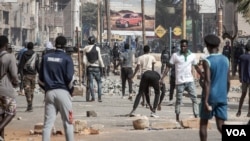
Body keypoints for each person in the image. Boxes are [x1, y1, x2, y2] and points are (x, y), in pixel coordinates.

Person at [38, 36, 75, 141]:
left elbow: (40, 79)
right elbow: (70, 78)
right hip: (63, 92)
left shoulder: (46, 57)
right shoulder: (67, 58)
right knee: (68, 123)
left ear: (55, 44)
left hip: (49, 93)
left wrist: (47, 89)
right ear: (65, 45)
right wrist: (71, 91)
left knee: (47, 124)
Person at [160, 39, 203, 122]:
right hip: (180, 82)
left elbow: (196, 67)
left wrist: (202, 75)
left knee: (194, 99)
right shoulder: (175, 55)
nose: (183, 48)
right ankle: (177, 117)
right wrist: (162, 78)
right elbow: (168, 67)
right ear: (180, 47)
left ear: (187, 46)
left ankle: (196, 116)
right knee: (178, 100)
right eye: (182, 46)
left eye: (184, 46)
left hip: (190, 81)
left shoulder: (192, 56)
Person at [199, 34, 230, 141]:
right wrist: (225, 94)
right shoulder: (226, 60)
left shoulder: (207, 61)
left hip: (210, 96)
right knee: (221, 125)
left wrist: (206, 101)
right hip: (222, 96)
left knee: (203, 123)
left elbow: (207, 81)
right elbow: (228, 81)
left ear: (207, 47)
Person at [0, 35, 19, 140]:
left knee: (1, 114)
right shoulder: (9, 56)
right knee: (12, 111)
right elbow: (14, 75)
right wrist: (15, 82)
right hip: (5, 90)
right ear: (6, 45)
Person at [82, 36, 105, 102]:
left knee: (91, 83)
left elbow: (84, 61)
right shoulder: (97, 48)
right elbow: (100, 59)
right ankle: (99, 97)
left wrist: (87, 65)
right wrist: (102, 66)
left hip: (89, 68)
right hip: (97, 67)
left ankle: (93, 98)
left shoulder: (85, 48)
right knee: (99, 83)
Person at [18, 42, 39, 112]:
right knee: (32, 90)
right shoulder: (36, 55)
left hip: (26, 74)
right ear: (33, 47)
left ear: (27, 47)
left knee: (27, 90)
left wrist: (20, 72)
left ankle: (29, 105)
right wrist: (40, 73)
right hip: (33, 75)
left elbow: (21, 64)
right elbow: (37, 65)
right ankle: (30, 104)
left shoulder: (24, 54)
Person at [236, 41, 250, 117]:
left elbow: (239, 68)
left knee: (243, 95)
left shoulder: (241, 57)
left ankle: (239, 111)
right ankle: (249, 112)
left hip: (244, 79)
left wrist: (240, 77)